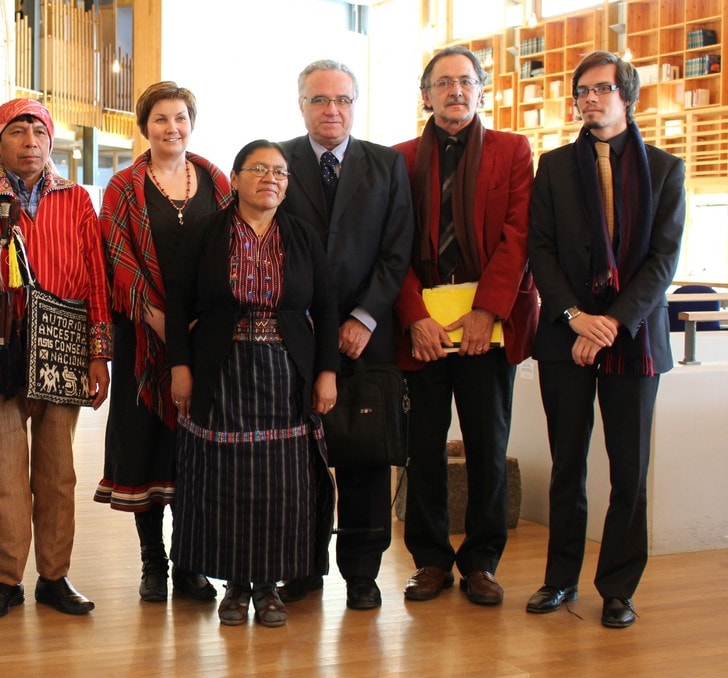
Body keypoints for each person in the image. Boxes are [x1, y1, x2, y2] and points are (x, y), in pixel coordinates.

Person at [526, 51, 685, 629]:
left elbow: (663, 261)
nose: (589, 99)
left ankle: (618, 587)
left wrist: (612, 323)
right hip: (565, 338)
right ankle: (560, 579)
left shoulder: (666, 170)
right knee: (569, 463)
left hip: (634, 337)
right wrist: (573, 316)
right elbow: (538, 250)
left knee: (629, 468)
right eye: (581, 91)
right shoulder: (553, 166)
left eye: (601, 89)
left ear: (627, 96)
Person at [0, 98, 111, 620]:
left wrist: (99, 355)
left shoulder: (77, 200)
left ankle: (54, 577)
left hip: (63, 345)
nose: (30, 141)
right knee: (5, 475)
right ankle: (6, 580)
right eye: (17, 131)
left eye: (39, 131)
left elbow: (97, 280)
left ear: (50, 141)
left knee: (58, 474)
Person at [167, 140, 338, 628]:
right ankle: (235, 587)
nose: (271, 179)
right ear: (236, 178)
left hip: (286, 372)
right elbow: (178, 303)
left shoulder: (302, 236)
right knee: (224, 480)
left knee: (280, 485)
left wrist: (327, 372)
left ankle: (268, 587)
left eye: (280, 172)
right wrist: (180, 366)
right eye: (259, 169)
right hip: (221, 369)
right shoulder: (207, 232)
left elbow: (326, 307)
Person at [392, 46, 538, 606]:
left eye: (465, 81)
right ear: (424, 94)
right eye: (443, 83)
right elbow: (391, 248)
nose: (455, 91)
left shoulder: (512, 151)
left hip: (488, 328)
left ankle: (481, 562)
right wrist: (415, 318)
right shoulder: (399, 159)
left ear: (483, 89)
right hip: (424, 331)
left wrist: (487, 310)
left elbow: (518, 235)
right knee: (422, 449)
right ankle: (430, 561)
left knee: (487, 445)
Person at [277, 59, 414, 609]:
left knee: (363, 458)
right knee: (298, 460)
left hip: (367, 338)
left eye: (342, 100)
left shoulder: (386, 165)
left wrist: (364, 316)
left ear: (355, 104)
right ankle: (303, 568)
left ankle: (362, 573)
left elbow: (396, 250)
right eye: (319, 100)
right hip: (295, 338)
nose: (331, 110)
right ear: (301, 104)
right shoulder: (277, 161)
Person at [94, 81, 231, 603]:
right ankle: (153, 563)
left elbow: (233, 246)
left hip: (207, 338)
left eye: (180, 118)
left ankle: (189, 564)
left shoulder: (218, 179)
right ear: (143, 126)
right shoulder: (123, 185)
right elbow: (117, 257)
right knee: (145, 448)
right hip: (142, 338)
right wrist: (158, 321)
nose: (171, 128)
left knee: (194, 453)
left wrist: (202, 324)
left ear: (191, 122)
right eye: (160, 120)